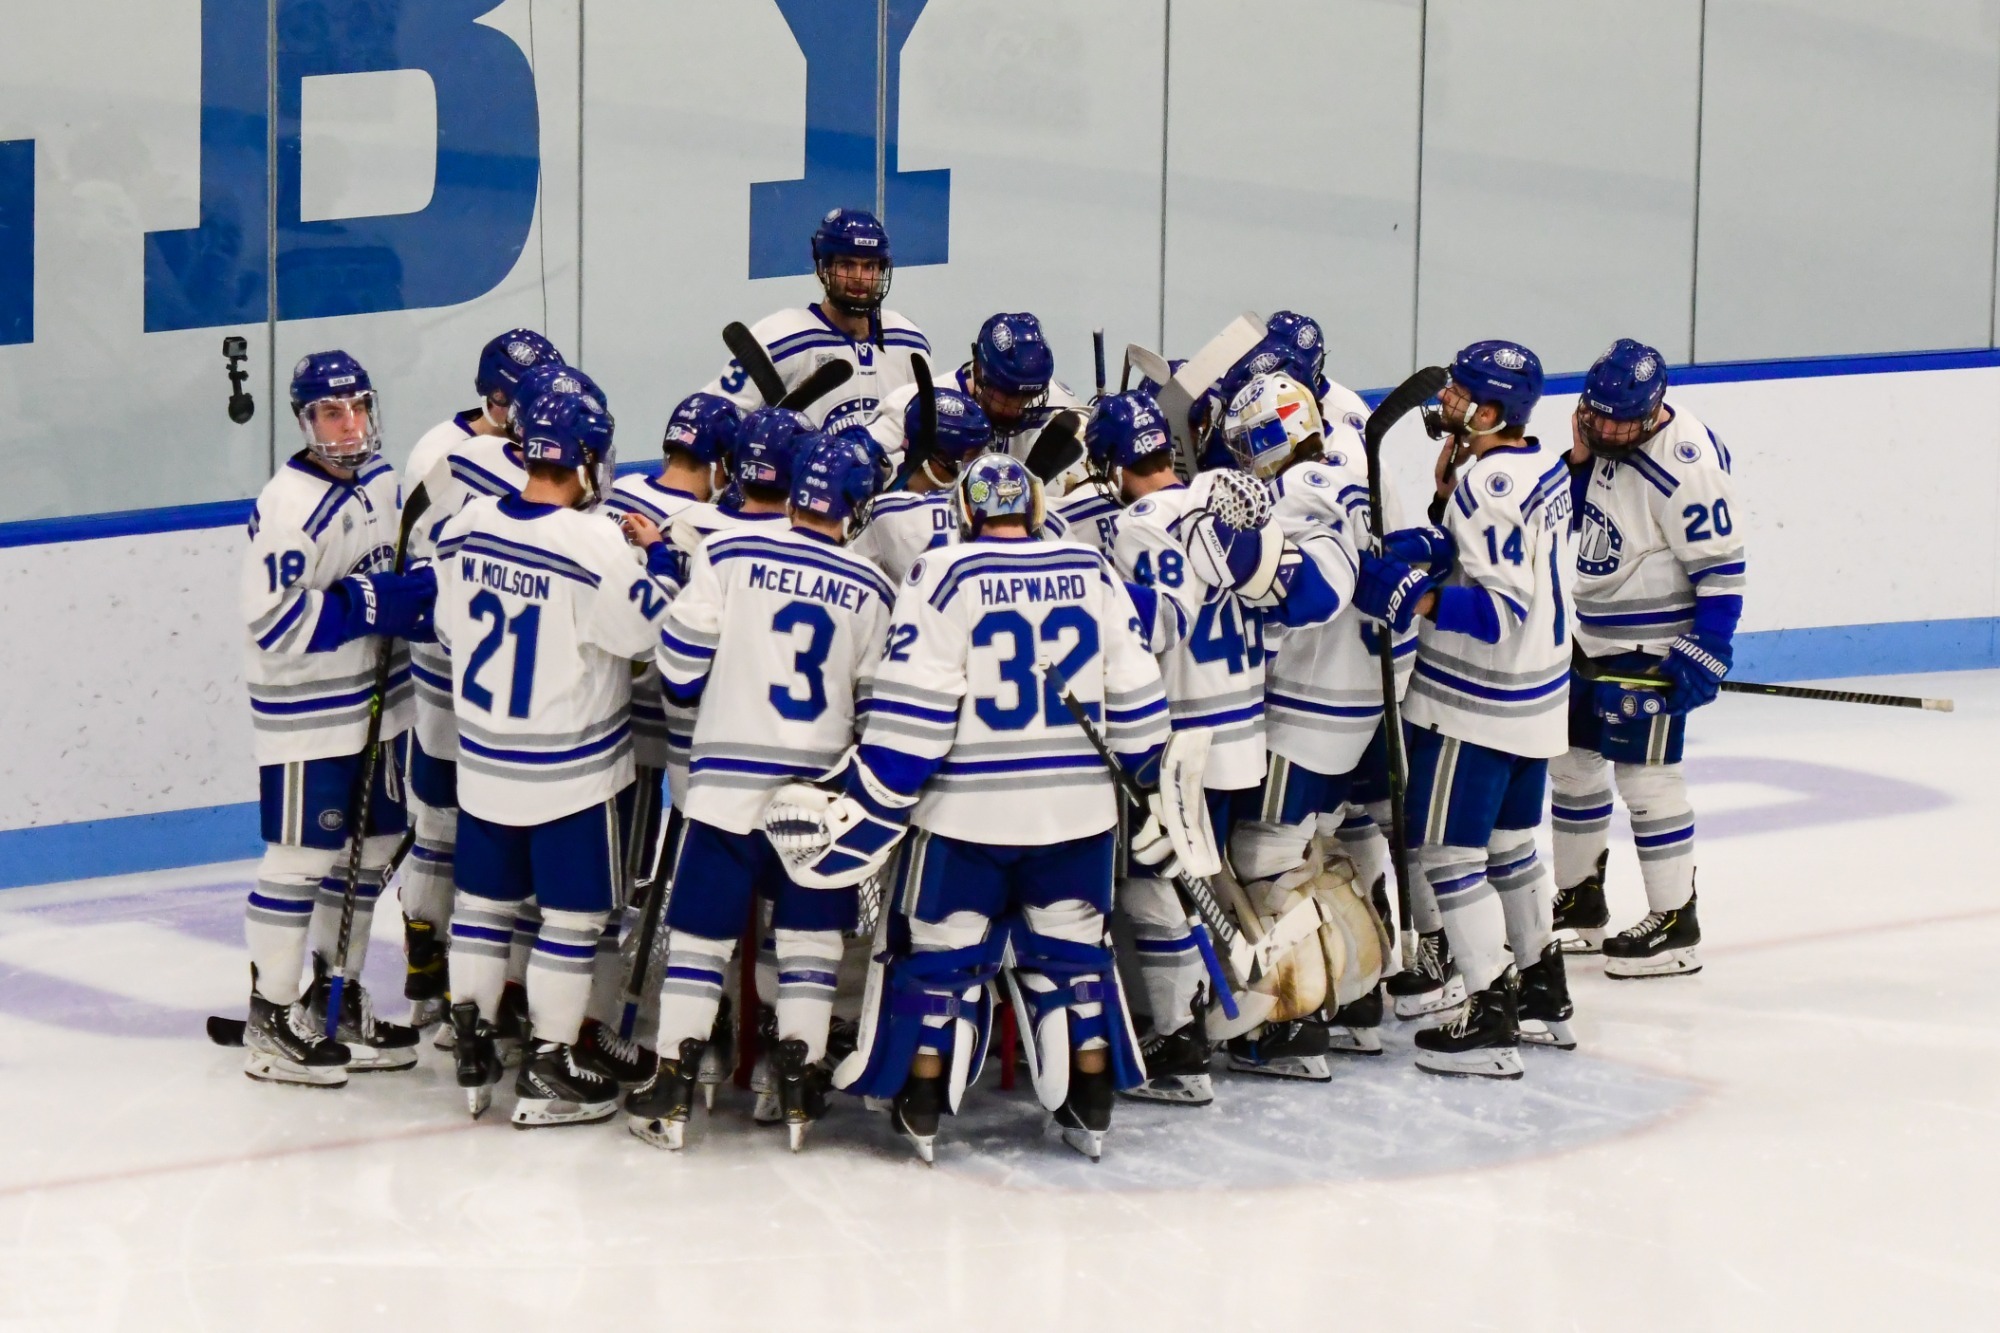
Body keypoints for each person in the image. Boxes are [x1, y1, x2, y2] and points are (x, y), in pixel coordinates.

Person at [765, 453, 1170, 1161]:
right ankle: (1093, 1097)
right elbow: (1137, 697)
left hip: (966, 813)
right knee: (1074, 954)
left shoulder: (945, 572)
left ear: (968, 513)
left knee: (942, 957)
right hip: (1077, 813)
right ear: (1036, 509)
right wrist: (1150, 779)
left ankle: (923, 1100)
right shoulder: (1091, 569)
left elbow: (916, 712)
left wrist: (876, 799)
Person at [619, 433, 891, 1151]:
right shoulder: (873, 586)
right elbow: (874, 711)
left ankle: (674, 1085)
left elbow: (677, 670)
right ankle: (795, 1084)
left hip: (725, 790)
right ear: (855, 504)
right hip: (818, 800)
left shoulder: (728, 554)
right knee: (807, 944)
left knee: (701, 942)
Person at [432, 392, 680, 1127]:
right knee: (571, 922)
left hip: (482, 764)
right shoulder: (595, 542)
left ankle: (473, 1045)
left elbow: (449, 630)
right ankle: (548, 1062)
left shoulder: (466, 524)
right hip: (571, 770)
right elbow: (643, 634)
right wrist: (658, 555)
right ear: (581, 460)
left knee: (480, 910)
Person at [1112, 375, 1347, 1086]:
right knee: (1229, 885)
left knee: (1158, 888)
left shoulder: (1137, 525)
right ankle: (1286, 1016)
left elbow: (1157, 627)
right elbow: (1290, 601)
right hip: (1247, 729)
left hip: (1185, 740)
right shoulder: (1227, 500)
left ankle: (1183, 1040)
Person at [1353, 340, 1575, 1078]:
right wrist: (1437, 535)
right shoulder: (1534, 463)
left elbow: (1499, 610)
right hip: (1538, 700)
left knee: (1449, 858)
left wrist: (1414, 595)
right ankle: (1544, 988)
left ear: (1489, 412)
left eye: (1460, 393)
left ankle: (1489, 1012)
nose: (1445, 398)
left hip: (1476, 705)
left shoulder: (1490, 484)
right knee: (1512, 852)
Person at [237, 351, 435, 1085]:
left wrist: (417, 590)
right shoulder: (291, 505)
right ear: (304, 420)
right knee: (300, 861)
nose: (347, 424)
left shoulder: (385, 481)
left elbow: (402, 576)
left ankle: (334, 994)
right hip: (310, 715)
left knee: (374, 849)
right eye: (329, 411)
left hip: (381, 707)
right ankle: (271, 1012)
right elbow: (275, 624)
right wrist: (370, 604)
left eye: (356, 407)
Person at [1550, 339, 1744, 978]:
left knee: (1646, 781)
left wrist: (1705, 650)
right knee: (1573, 765)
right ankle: (1580, 902)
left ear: (1654, 409)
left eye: (1618, 420)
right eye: (1596, 414)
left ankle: (1675, 923)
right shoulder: (1603, 434)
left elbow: (1721, 570)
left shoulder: (1689, 466)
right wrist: (1578, 464)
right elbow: (1579, 522)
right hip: (1592, 637)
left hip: (1651, 646)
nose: (1605, 428)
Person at [398, 329, 561, 1029]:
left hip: (495, 664)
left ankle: (489, 979)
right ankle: (430, 958)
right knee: (445, 818)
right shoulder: (453, 455)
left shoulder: (483, 442)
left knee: (488, 819)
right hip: (453, 665)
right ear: (495, 399)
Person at [702, 208, 930, 434]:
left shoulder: (909, 340)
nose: (859, 278)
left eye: (870, 266)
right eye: (847, 265)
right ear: (824, 268)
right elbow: (707, 426)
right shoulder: (776, 339)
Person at [849, 387, 995, 583]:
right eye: (970, 456)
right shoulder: (988, 507)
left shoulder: (880, 505)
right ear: (939, 456)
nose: (974, 466)